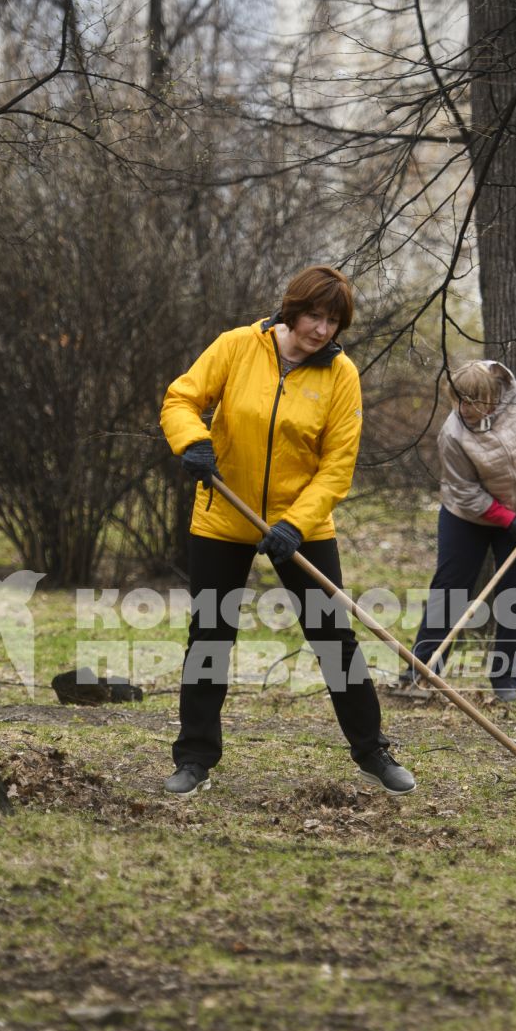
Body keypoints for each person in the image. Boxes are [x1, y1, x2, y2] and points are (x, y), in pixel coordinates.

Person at [160, 266, 414, 797]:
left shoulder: (340, 375)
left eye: (334, 321)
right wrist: (192, 442)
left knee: (332, 638)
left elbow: (338, 463)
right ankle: (195, 757)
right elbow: (181, 399)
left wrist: (296, 524)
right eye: (314, 316)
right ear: (291, 308)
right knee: (211, 635)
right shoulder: (236, 346)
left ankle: (373, 751)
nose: (322, 330)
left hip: (302, 524)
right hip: (223, 516)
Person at [404, 360, 516, 702]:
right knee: (450, 589)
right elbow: (465, 492)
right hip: (467, 518)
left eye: (472, 402)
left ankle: (505, 681)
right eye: (459, 401)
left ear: (491, 396)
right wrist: (506, 519)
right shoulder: (453, 435)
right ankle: (421, 670)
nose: (465, 409)